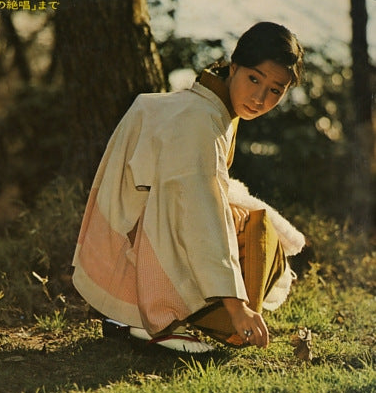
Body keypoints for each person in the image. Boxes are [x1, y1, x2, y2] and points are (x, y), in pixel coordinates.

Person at [72, 22, 306, 354]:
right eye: (254, 79)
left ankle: (137, 317)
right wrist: (236, 305)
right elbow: (201, 212)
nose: (259, 98)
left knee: (242, 217)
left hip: (124, 242)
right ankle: (160, 321)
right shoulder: (199, 118)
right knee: (258, 232)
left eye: (275, 90)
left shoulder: (204, 107)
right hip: (134, 245)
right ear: (234, 67)